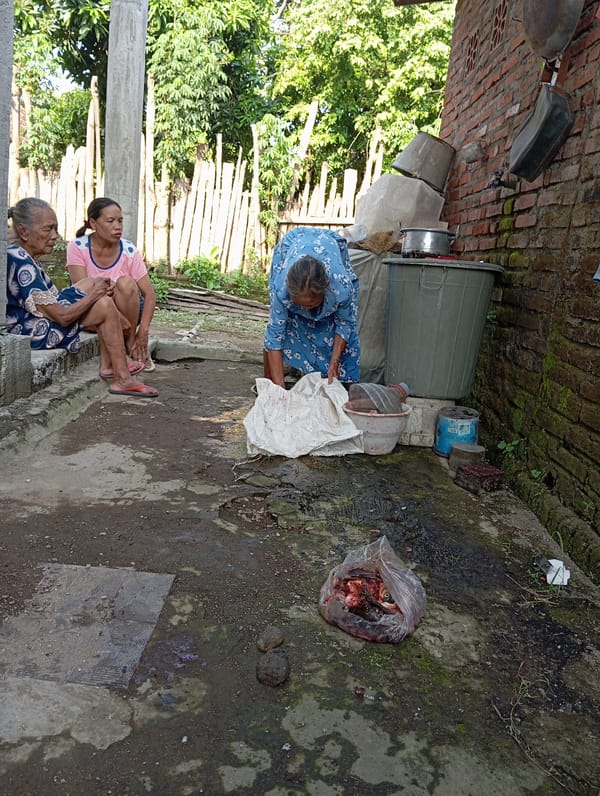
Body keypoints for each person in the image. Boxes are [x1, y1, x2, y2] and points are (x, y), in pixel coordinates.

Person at [6, 197, 158, 398]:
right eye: (48, 230)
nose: (55, 236)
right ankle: (122, 377)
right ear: (24, 231)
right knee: (103, 303)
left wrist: (96, 289)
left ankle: (108, 366)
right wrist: (96, 296)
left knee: (94, 283)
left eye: (55, 229)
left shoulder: (26, 257)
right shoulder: (20, 259)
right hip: (29, 330)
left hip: (41, 318)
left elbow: (57, 300)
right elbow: (62, 317)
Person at [66, 197, 156, 371]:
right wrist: (115, 317)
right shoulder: (77, 247)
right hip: (91, 314)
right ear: (93, 223)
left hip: (127, 321)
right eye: (110, 221)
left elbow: (150, 295)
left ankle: (131, 343)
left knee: (126, 283)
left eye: (120, 220)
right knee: (96, 288)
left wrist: (142, 332)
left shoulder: (129, 250)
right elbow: (82, 292)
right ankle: (122, 351)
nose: (118, 226)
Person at [263, 227, 360, 388]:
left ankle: (333, 377)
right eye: (300, 304)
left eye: (311, 304)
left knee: (344, 331)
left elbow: (345, 323)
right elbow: (275, 336)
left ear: (326, 288)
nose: (306, 310)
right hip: (294, 242)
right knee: (279, 327)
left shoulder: (341, 287)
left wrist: (334, 363)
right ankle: (270, 383)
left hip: (328, 245)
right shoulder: (282, 288)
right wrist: (280, 392)